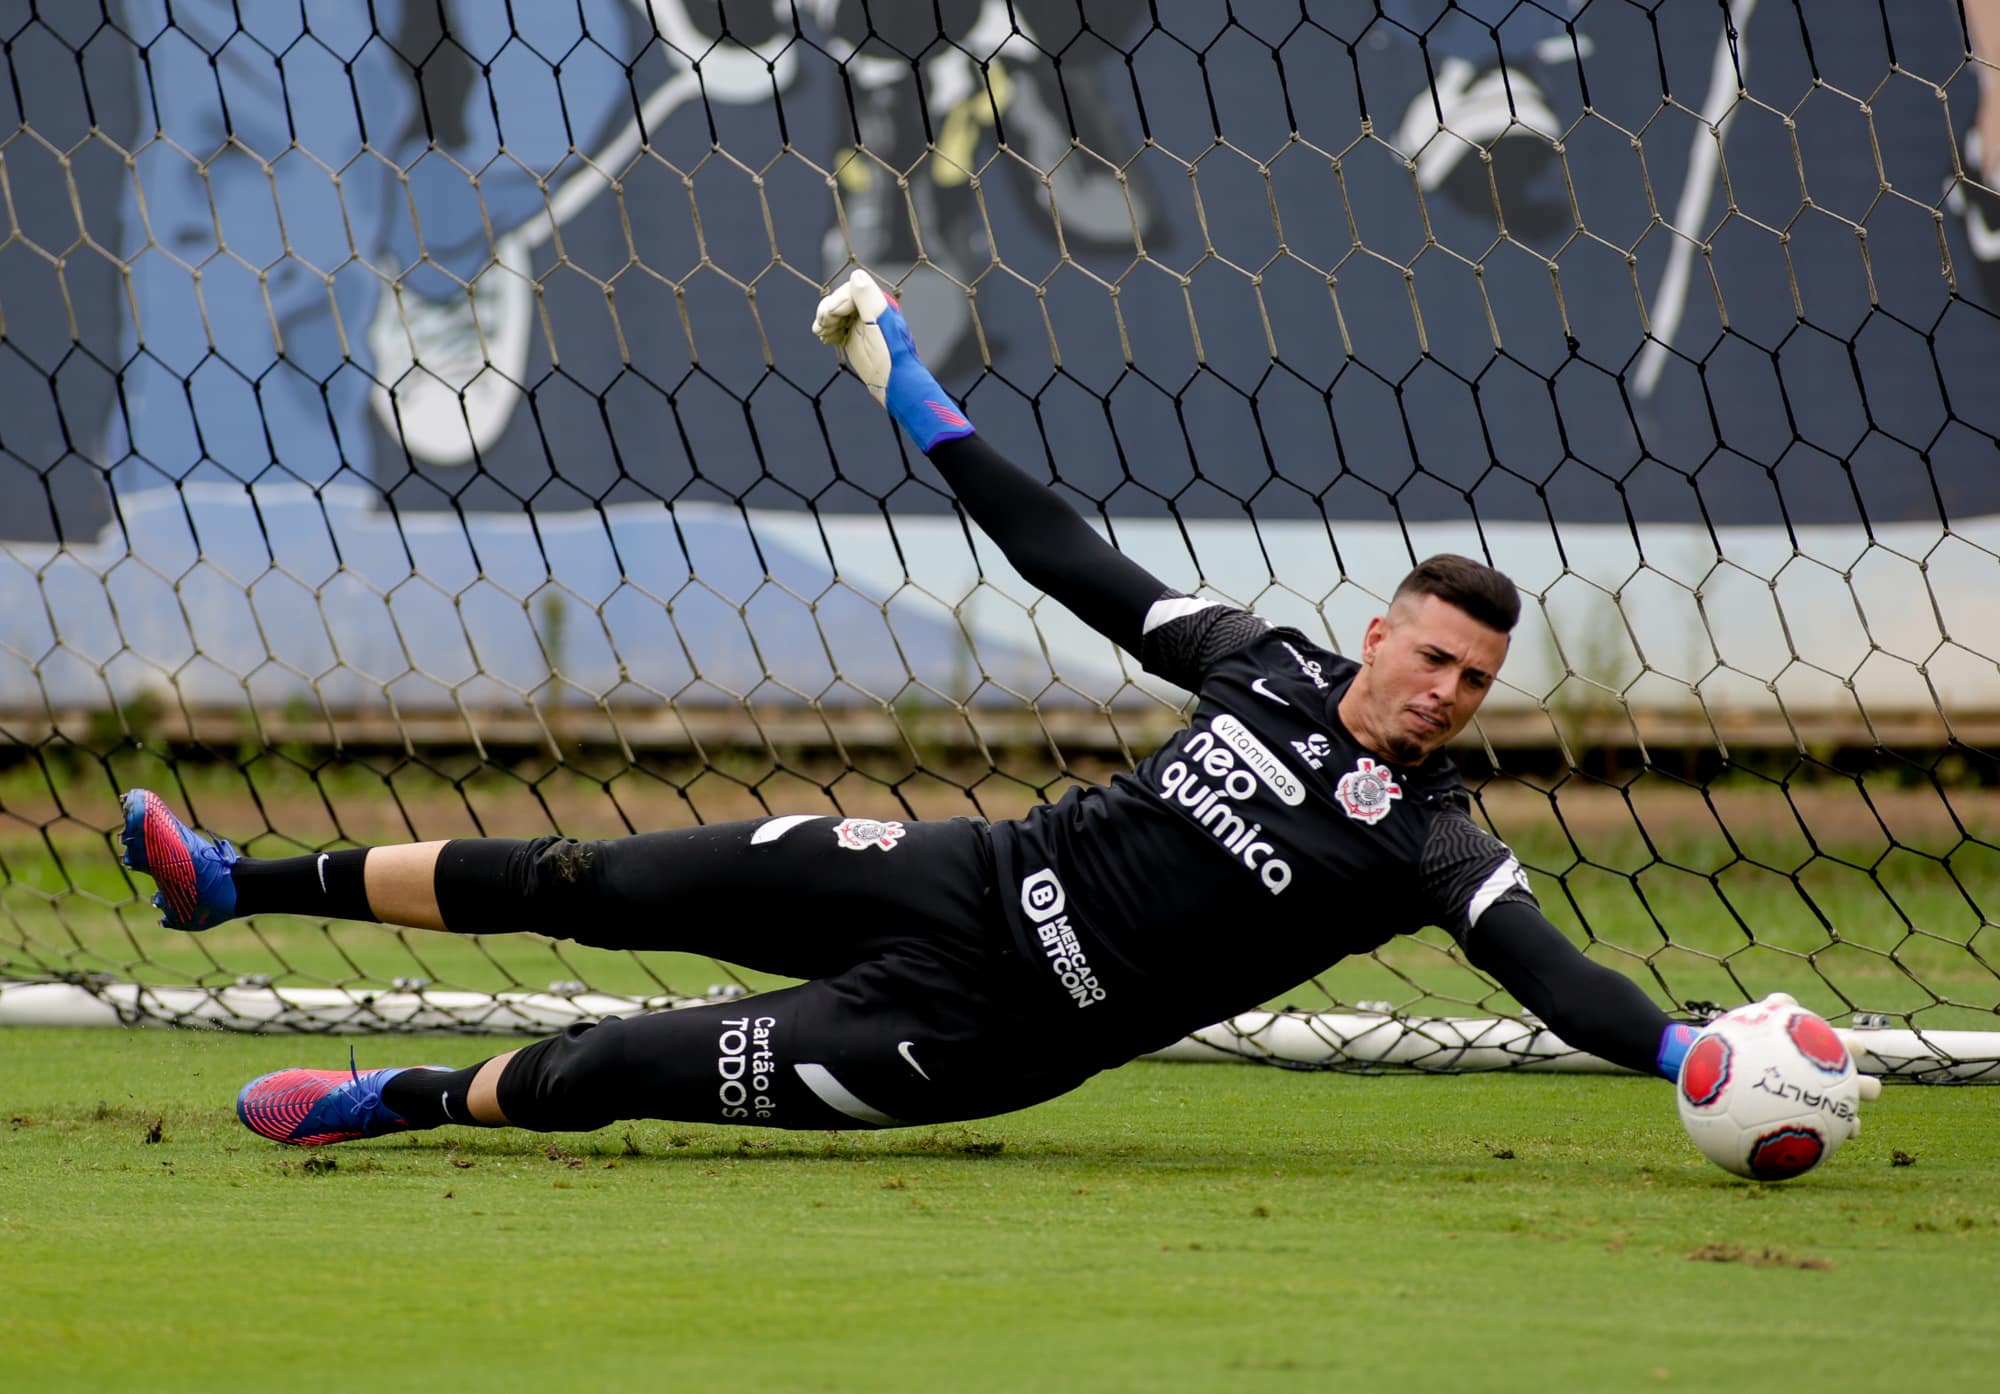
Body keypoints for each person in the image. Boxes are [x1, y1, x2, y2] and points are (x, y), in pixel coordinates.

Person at [119, 270, 1704, 1148]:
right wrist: (904, 388)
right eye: (1434, 658)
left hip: (975, 1030)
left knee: (610, 1064)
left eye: (1477, 683)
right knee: (589, 879)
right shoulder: (1266, 659)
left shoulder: (1431, 843)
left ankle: (388, 1103)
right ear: (1380, 633)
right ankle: (231, 886)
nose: (1447, 695)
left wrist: (1686, 1057)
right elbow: (1064, 554)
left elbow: (1559, 978)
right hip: (954, 871)